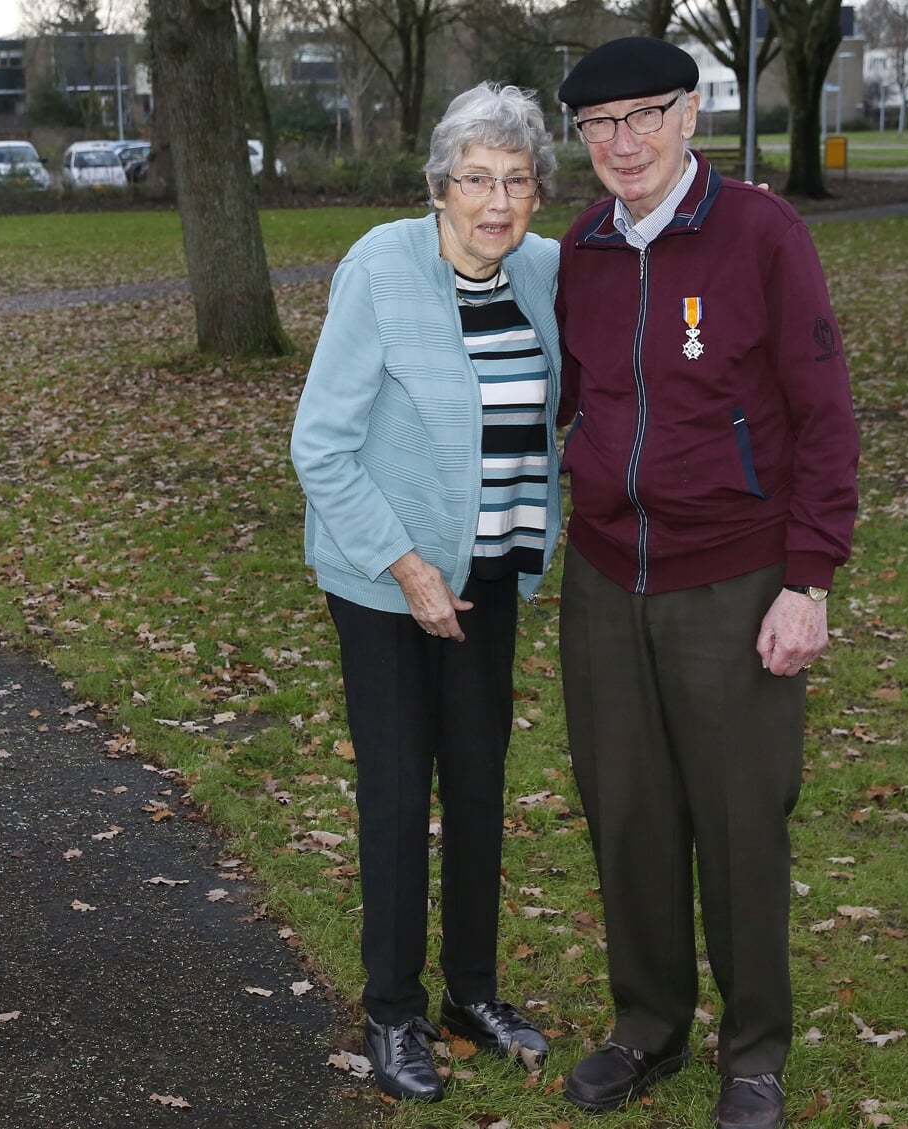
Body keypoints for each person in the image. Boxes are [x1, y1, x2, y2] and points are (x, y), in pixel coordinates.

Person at [550, 37, 861, 1129]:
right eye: (598, 125)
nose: (622, 143)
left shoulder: (760, 233)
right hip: (602, 578)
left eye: (643, 116)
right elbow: (573, 399)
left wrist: (807, 578)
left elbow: (823, 414)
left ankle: (754, 1050)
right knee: (626, 814)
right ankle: (646, 1025)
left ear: (691, 113)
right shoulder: (580, 248)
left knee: (739, 821)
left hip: (735, 579)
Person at [290, 82, 562, 1104]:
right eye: (476, 180)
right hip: (381, 577)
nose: (497, 202)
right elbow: (319, 443)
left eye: (517, 180)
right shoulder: (382, 267)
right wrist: (408, 570)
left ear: (538, 190)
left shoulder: (538, 271)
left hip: (488, 571)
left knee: (481, 782)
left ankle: (471, 995)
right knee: (402, 792)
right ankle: (394, 1011)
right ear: (441, 185)